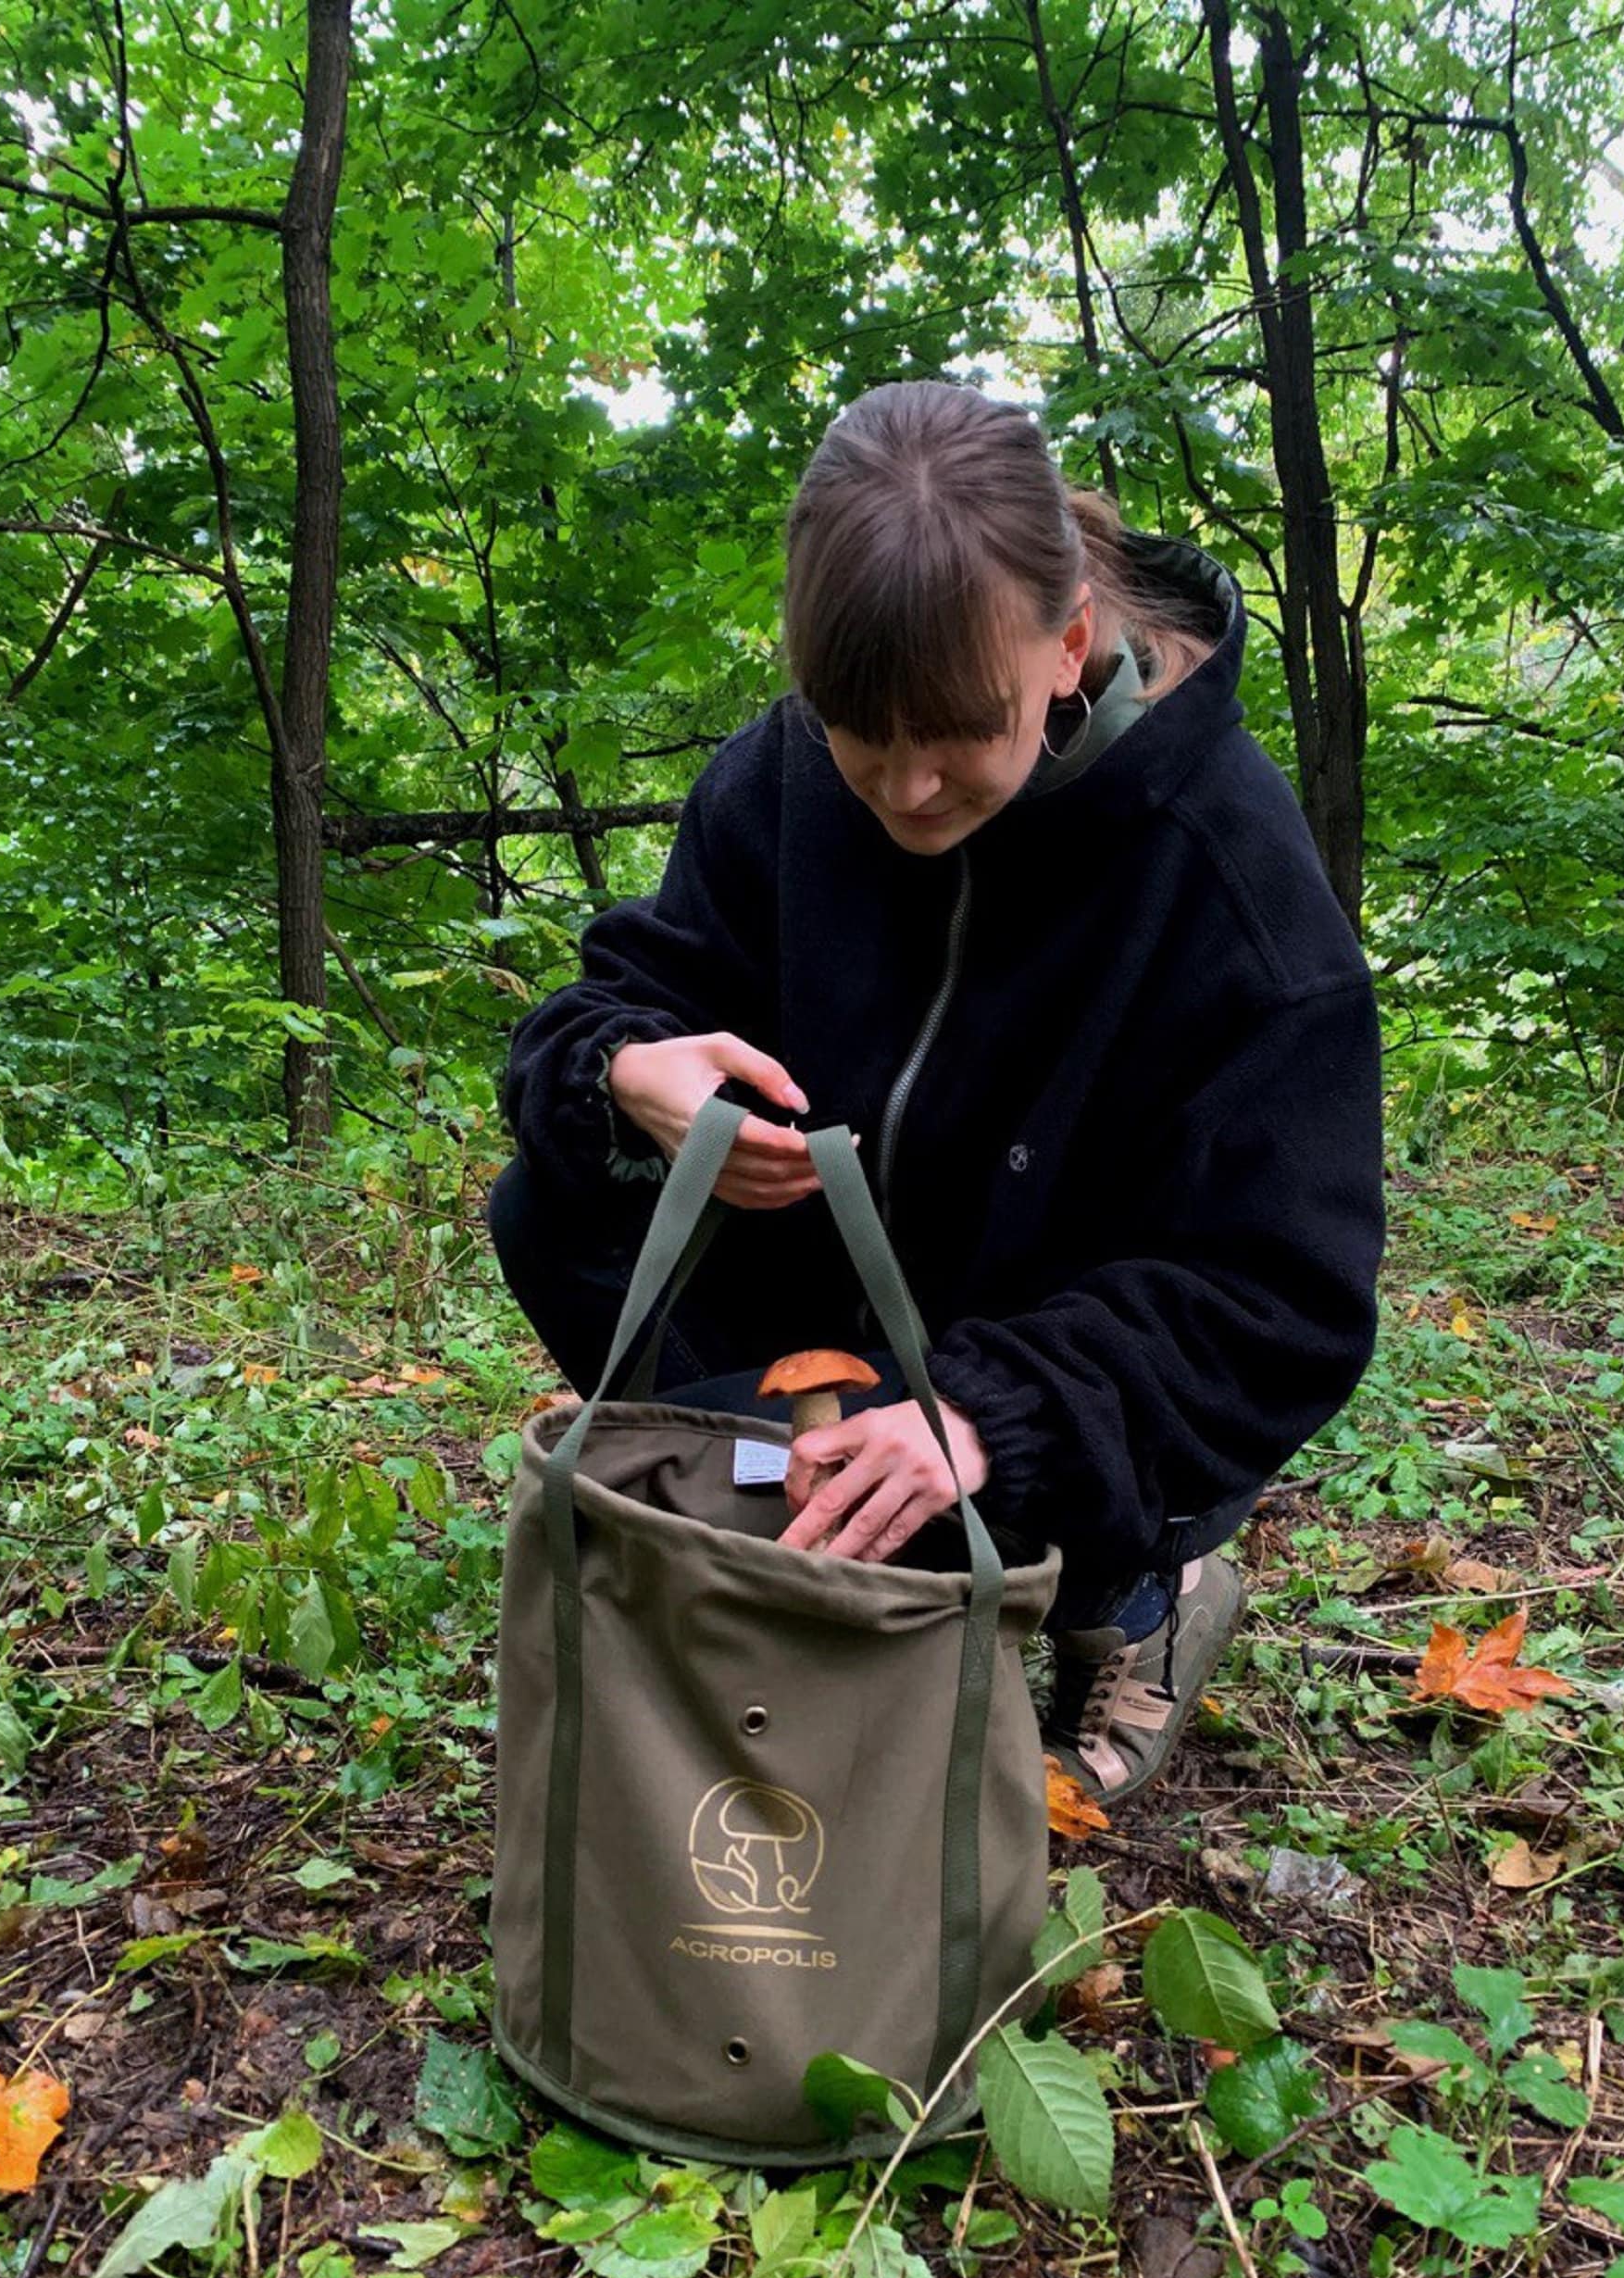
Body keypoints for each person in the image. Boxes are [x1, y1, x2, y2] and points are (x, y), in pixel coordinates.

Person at [490, 379, 1384, 1805]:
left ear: (1068, 645)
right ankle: (812, 1536)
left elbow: (1286, 1301)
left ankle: (1135, 1593)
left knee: (1005, 1457)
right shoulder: (784, 776)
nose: (905, 791)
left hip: (1040, 1349)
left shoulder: (1232, 890)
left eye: (958, 731)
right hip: (840, 1327)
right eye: (860, 732)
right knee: (555, 1204)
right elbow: (624, 992)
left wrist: (988, 1414)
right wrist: (627, 1069)